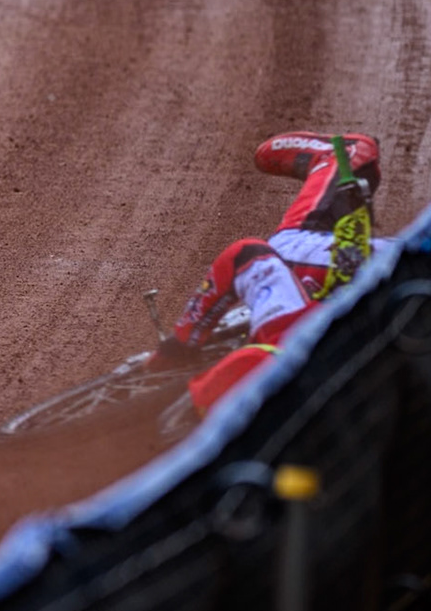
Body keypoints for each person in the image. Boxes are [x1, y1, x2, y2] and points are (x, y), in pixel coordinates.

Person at [157, 132, 393, 415]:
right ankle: (345, 154)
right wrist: (181, 343)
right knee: (286, 249)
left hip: (387, 303)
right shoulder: (283, 332)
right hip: (383, 281)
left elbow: (244, 254)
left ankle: (345, 158)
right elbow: (244, 255)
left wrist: (180, 344)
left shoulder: (285, 336)